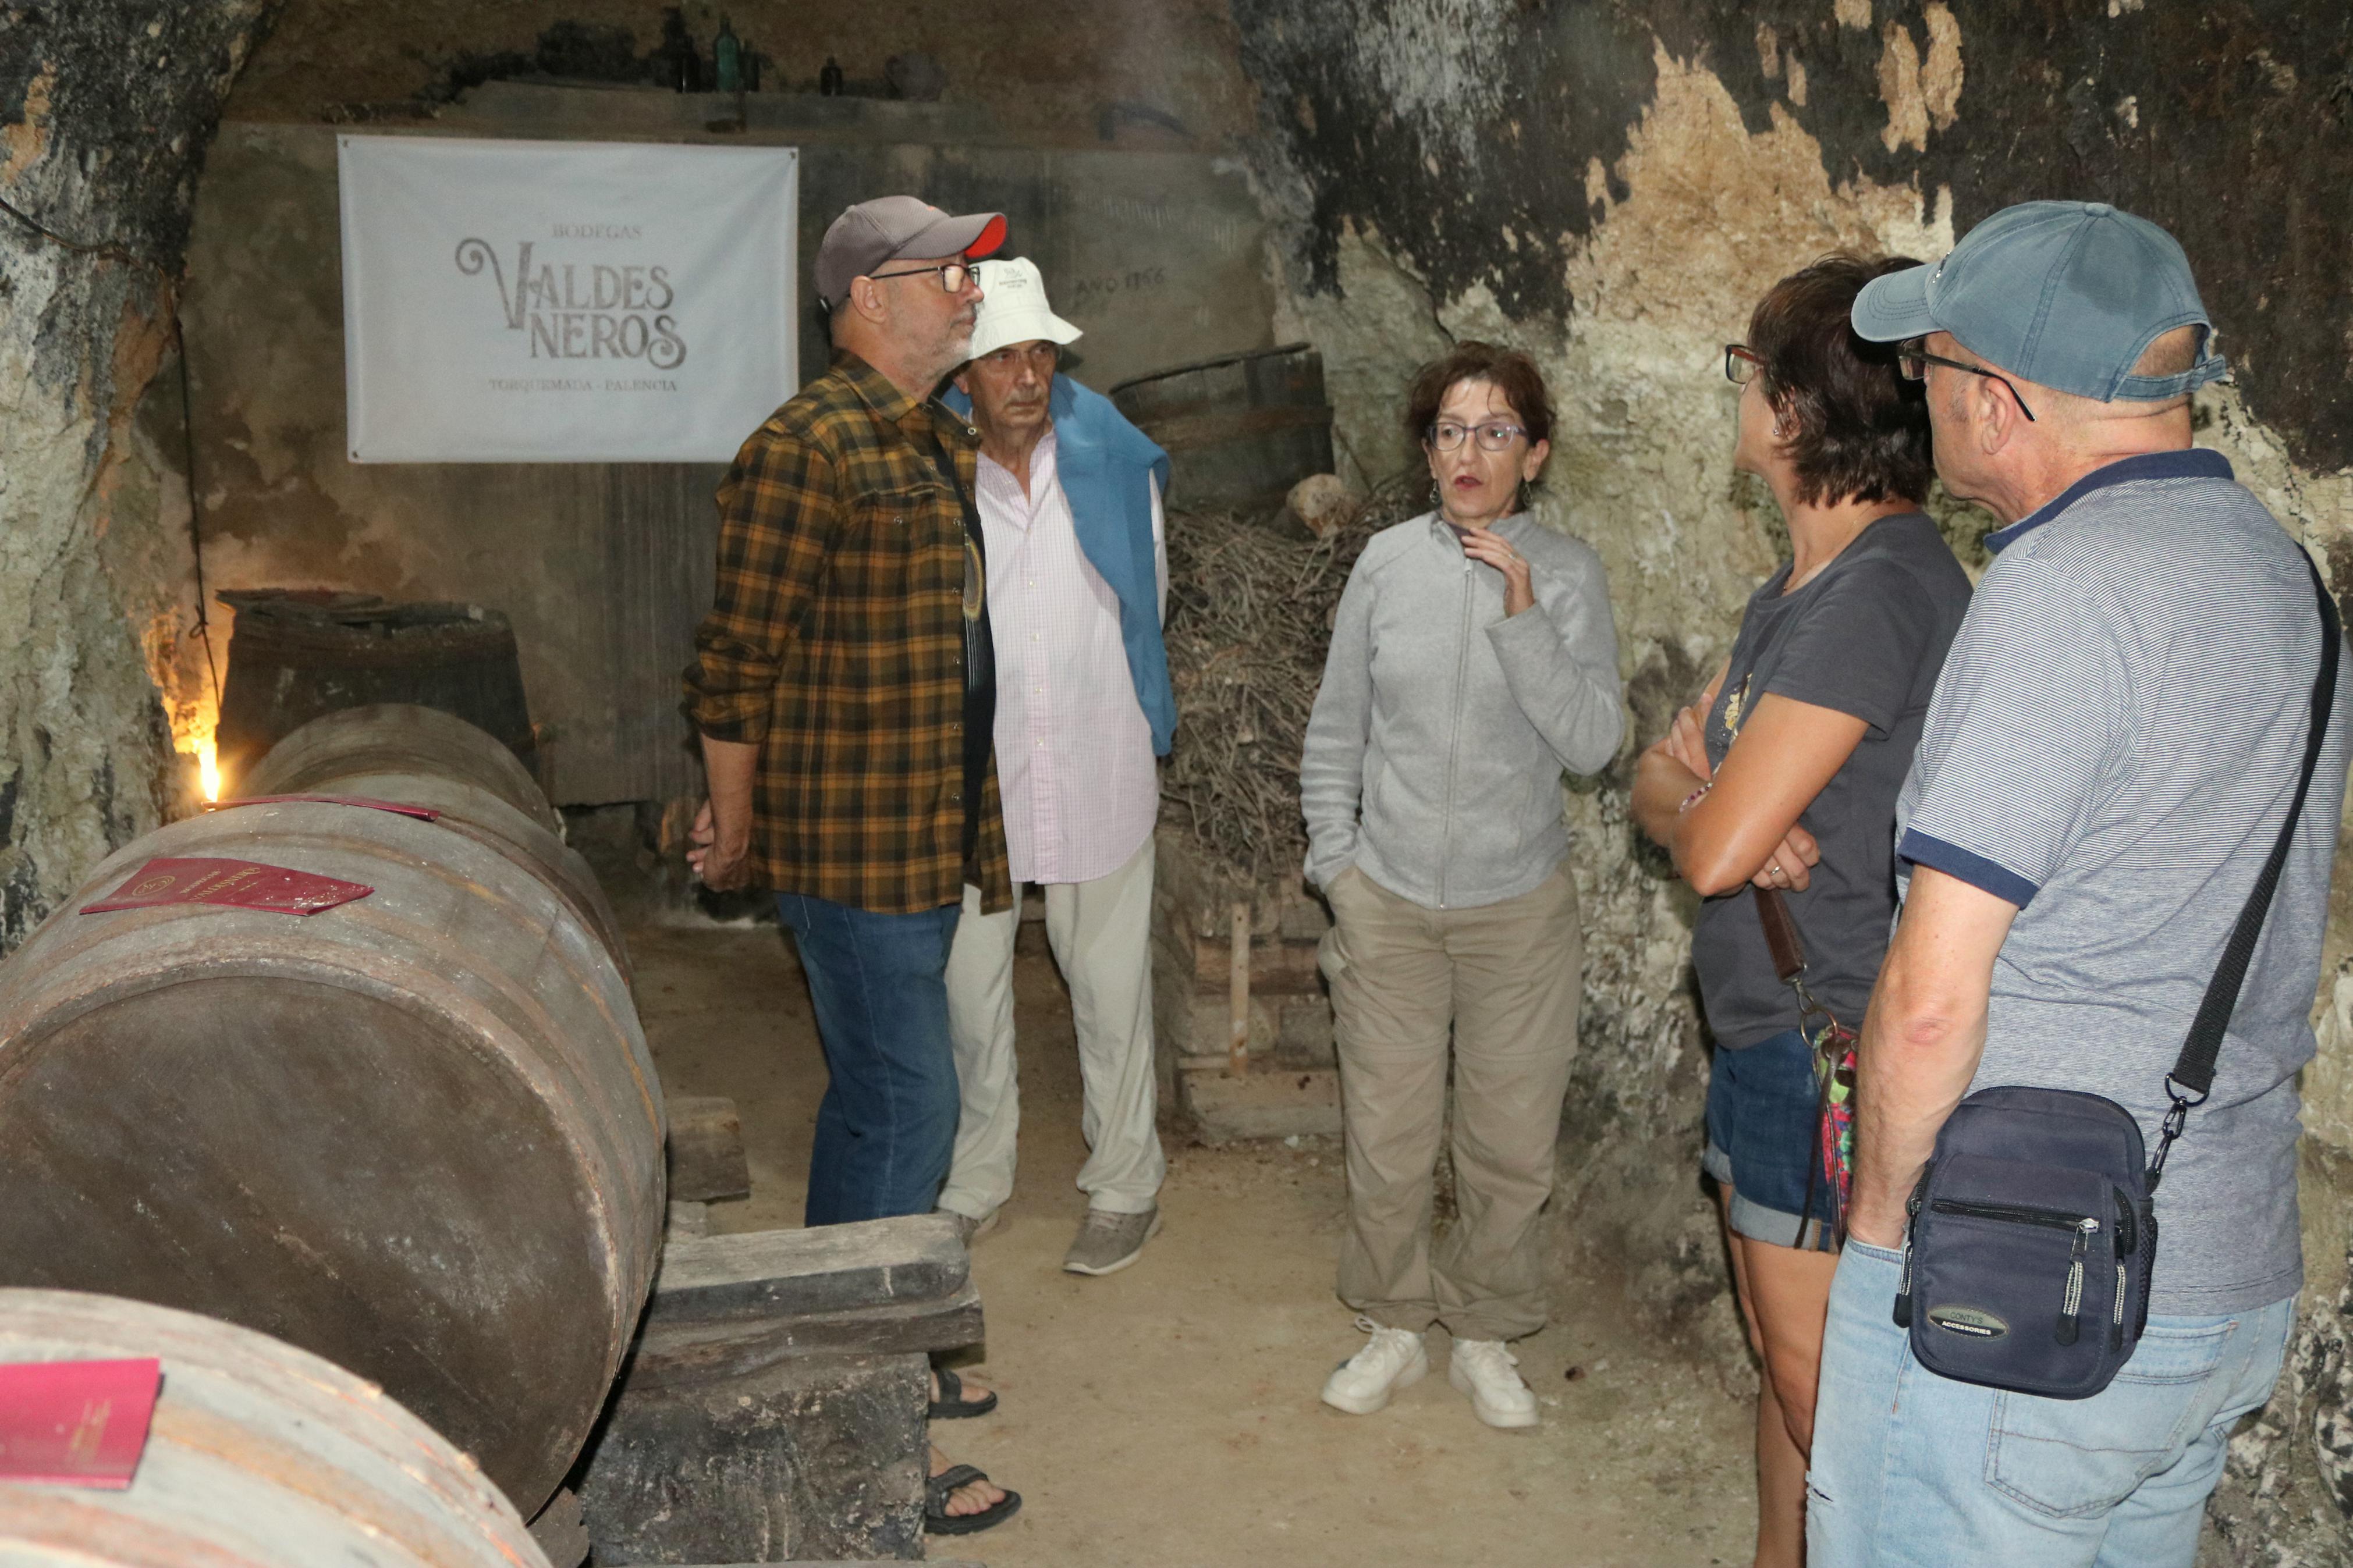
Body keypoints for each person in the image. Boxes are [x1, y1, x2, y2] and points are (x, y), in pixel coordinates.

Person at [1808, 201, 2352, 1567]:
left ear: (1997, 402)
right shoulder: (2283, 579)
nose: (1915, 396)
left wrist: (1881, 1237)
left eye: (1926, 368)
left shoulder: (2061, 594)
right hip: (2216, 1285)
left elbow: (1935, 1000)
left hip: (2026, 1294)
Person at [683, 193, 1020, 1535]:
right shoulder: (804, 446)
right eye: (946, 274)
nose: (968, 293)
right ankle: (855, 1433)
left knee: (883, 1109)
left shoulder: (925, 440)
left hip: (922, 834)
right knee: (909, 1110)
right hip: (857, 844)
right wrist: (734, 821)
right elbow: (735, 660)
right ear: (868, 298)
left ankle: (852, 1357)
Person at [1630, 254, 1971, 1567]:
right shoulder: (1795, 593)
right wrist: (1706, 795)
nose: (1743, 392)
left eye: (1750, 369)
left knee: (1828, 1388)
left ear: (1799, 409)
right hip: (1775, 1034)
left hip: (1818, 1046)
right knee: (1785, 1366)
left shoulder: (1876, 591)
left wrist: (1711, 798)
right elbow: (1664, 790)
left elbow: (1710, 845)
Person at [1300, 342, 1624, 1430]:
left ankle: (1485, 1333)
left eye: (1495, 432)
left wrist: (1523, 612)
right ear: (1428, 449)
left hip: (1517, 912)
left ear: (1533, 455)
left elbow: (1590, 744)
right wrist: (1335, 867)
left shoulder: (1568, 572)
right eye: (1449, 429)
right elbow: (1337, 728)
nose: (1468, 450)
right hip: (1387, 902)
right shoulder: (1386, 564)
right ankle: (1393, 1323)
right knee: (1387, 1135)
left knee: (1507, 1142)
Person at [934, 257, 1175, 1276]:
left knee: (1110, 983)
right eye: (1002, 357)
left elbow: (1148, 605)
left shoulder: (1111, 459)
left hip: (1094, 749)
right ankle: (977, 1177)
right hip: (971, 771)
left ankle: (1125, 1181)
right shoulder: (930, 467)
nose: (1027, 376)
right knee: (968, 987)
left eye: (1041, 353)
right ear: (964, 370)